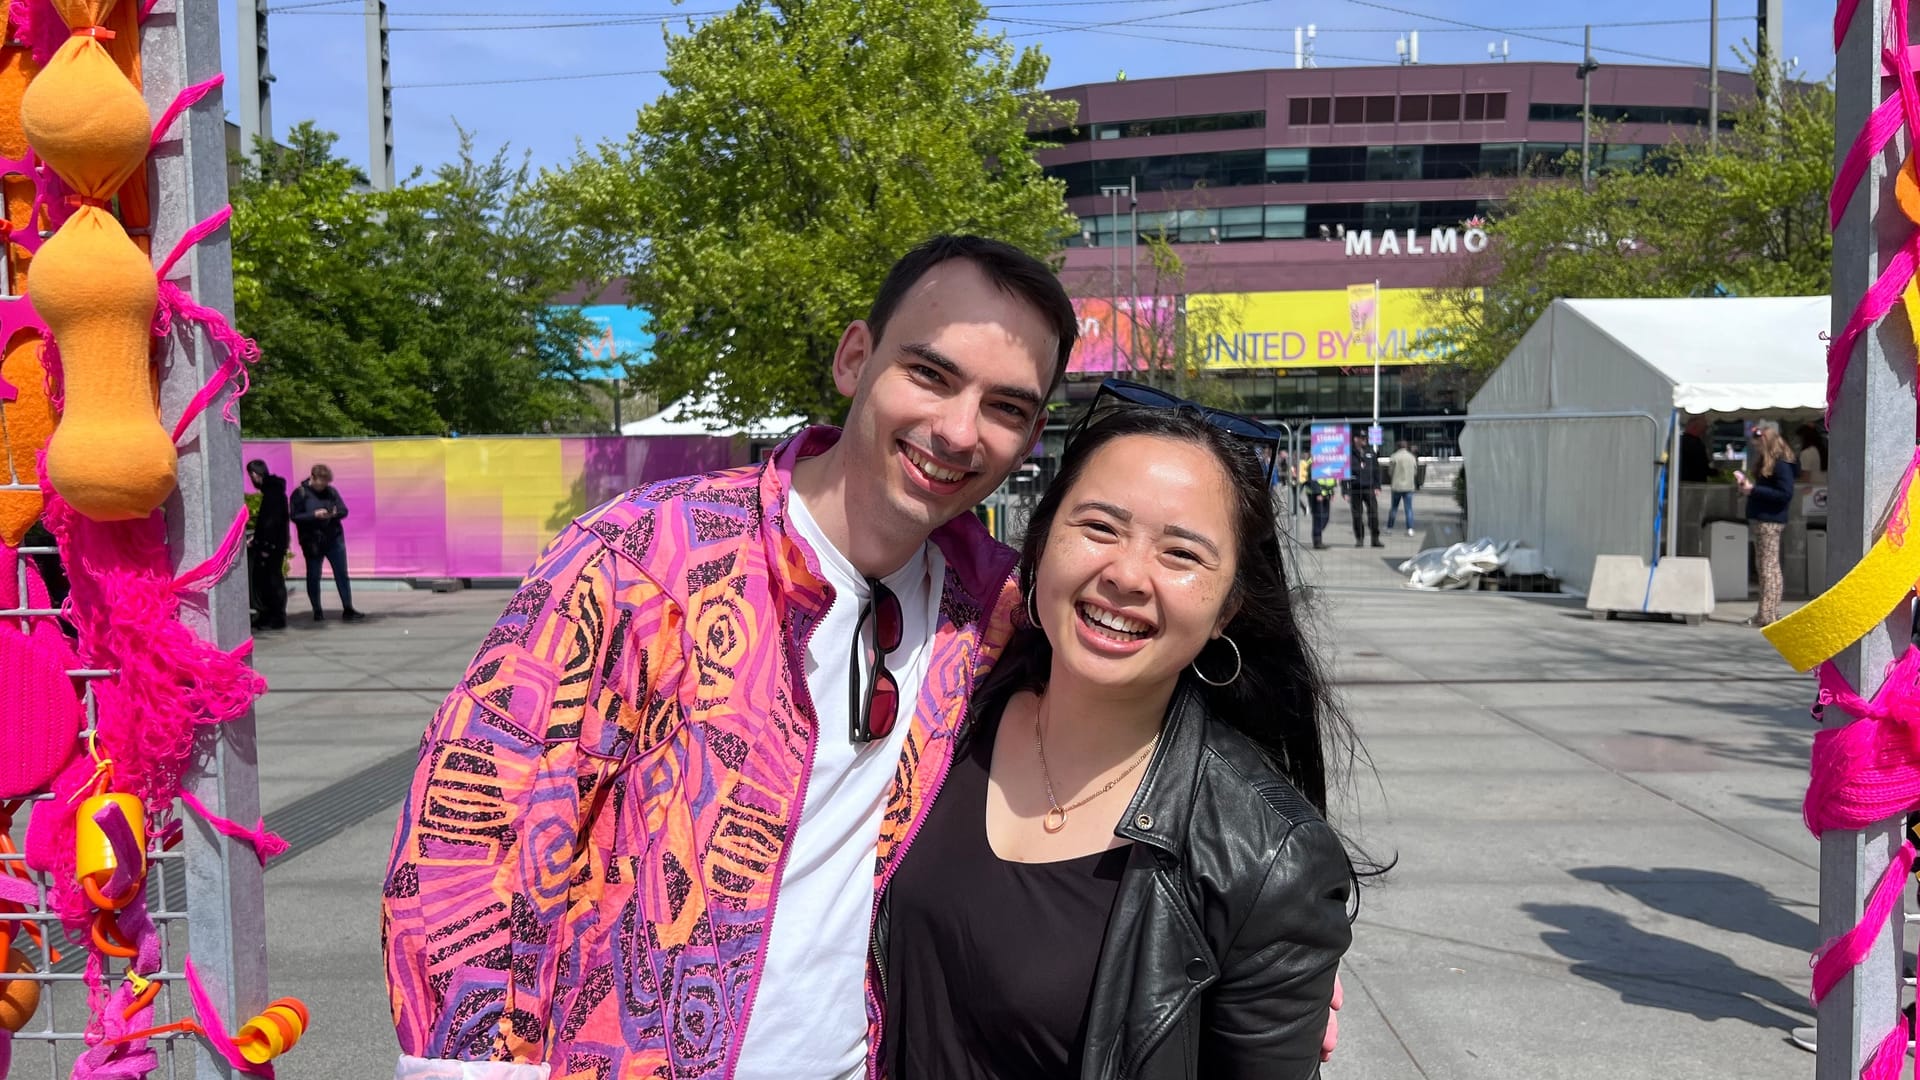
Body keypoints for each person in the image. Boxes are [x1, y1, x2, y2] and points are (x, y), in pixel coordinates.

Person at [381, 237, 1341, 1079]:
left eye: (1004, 406)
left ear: (1030, 437)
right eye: (931, 374)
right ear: (855, 358)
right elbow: (468, 834)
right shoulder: (645, 563)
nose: (959, 430)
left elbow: (1154, 685)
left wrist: (1258, 958)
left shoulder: (997, 606)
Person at [882, 395, 1356, 1078]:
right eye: (1101, 527)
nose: (1128, 576)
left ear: (1227, 609)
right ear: (1041, 545)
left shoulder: (1268, 860)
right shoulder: (939, 712)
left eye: (1181, 553)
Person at [1737, 424, 1797, 628]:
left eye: (1758, 445)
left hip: (1770, 520)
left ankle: (1768, 614)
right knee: (1766, 567)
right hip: (1766, 519)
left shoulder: (1780, 465)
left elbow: (1785, 494)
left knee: (1768, 567)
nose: (1757, 449)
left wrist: (1754, 490)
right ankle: (1767, 612)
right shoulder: (1777, 464)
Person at [290, 463, 363, 623]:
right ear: (313, 478)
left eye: (326, 483)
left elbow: (344, 510)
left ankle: (348, 608)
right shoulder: (300, 493)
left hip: (334, 538)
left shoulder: (331, 492)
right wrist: (314, 515)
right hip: (313, 541)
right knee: (314, 575)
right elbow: (295, 516)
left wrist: (334, 514)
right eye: (321, 483)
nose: (324, 486)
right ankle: (317, 610)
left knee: (341, 573)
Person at [246, 459, 290, 631]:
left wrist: (264, 546)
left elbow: (270, 523)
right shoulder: (275, 492)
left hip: (270, 547)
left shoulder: (272, 495)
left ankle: (275, 616)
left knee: (270, 581)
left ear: (256, 475)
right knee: (269, 580)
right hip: (273, 545)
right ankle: (268, 615)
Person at [1346, 432, 1382, 548]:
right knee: (1357, 515)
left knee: (1373, 514)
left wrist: (1377, 486)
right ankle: (1359, 538)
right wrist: (1345, 491)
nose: (1364, 440)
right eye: (1362, 438)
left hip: (1369, 487)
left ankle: (1375, 538)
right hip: (1355, 488)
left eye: (1365, 438)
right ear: (1356, 439)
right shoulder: (1349, 453)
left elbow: (1376, 470)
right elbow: (1345, 472)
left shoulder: (1371, 452)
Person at [1385, 439, 1418, 537]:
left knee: (1394, 508)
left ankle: (1389, 528)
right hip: (1409, 486)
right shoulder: (1411, 457)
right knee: (1409, 509)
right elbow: (1415, 472)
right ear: (1406, 446)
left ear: (1397, 446)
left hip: (1397, 486)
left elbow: (1390, 472)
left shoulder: (1394, 457)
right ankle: (1410, 529)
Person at [1307, 472, 1337, 550]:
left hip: (1327, 493)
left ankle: (1317, 535)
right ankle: (1317, 541)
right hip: (1317, 494)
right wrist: (1317, 492)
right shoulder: (1313, 462)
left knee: (1325, 518)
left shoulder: (1327, 462)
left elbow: (1331, 478)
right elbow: (1311, 477)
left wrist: (1332, 492)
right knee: (1318, 518)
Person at [1679, 416, 1712, 483]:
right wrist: (1716, 472)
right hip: (1694, 482)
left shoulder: (1678, 441)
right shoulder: (1696, 444)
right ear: (1695, 427)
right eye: (1704, 428)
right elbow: (1702, 467)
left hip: (1680, 481)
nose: (1704, 431)